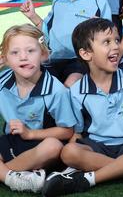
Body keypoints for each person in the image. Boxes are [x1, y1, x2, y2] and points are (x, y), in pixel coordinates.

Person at [41, 18, 123, 196]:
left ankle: (97, 175)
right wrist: (74, 145)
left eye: (117, 40)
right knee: (69, 152)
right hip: (96, 147)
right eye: (106, 42)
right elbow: (77, 131)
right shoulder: (76, 91)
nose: (116, 46)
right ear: (86, 54)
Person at [0, 25, 76, 193]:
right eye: (14, 53)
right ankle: (13, 177)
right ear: (4, 58)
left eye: (30, 51)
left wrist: (31, 134)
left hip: (42, 142)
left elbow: (67, 131)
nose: (23, 57)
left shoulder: (56, 90)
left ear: (43, 54)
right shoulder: (3, 81)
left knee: (53, 146)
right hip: (12, 140)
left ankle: (6, 173)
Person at [20, 0, 112, 86]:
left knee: (71, 82)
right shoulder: (58, 1)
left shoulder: (99, 1)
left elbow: (109, 36)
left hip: (81, 60)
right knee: (37, 83)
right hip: (54, 59)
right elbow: (46, 30)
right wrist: (32, 16)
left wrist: (98, 29)